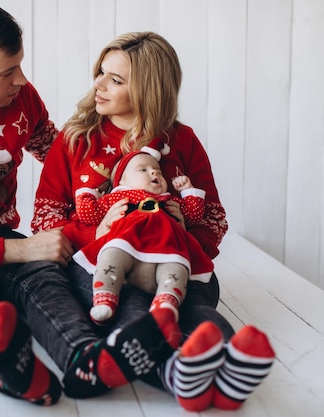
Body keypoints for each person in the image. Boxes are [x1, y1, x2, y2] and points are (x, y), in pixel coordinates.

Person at [0, 2, 182, 407]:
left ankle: (84, 358)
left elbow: (65, 160)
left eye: (20, 65)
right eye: (7, 72)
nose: (21, 80)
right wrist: (21, 247)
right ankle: (8, 366)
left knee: (46, 280)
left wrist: (122, 196)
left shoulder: (20, 98)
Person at [32, 31, 275, 411]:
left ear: (149, 89)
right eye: (100, 72)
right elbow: (45, 219)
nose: (98, 84)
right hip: (107, 269)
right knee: (131, 311)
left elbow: (214, 217)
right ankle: (180, 374)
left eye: (115, 80)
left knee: (196, 309)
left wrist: (182, 228)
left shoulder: (183, 141)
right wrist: (96, 230)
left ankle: (230, 365)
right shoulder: (75, 140)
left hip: (176, 265)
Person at [72, 143, 213, 325]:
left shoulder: (169, 201)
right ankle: (105, 295)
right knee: (111, 254)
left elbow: (194, 216)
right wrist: (89, 194)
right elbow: (88, 213)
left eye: (158, 171)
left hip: (167, 246)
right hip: (127, 243)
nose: (154, 173)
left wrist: (187, 190)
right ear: (121, 181)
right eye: (143, 170)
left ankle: (167, 302)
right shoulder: (119, 198)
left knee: (178, 266)